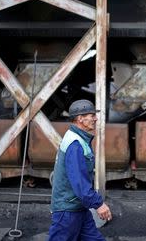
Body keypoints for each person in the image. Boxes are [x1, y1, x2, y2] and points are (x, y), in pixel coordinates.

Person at [48, 99, 112, 241]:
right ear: (80, 119)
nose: (95, 118)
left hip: (78, 208)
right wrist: (99, 204)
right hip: (67, 211)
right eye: (91, 115)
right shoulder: (75, 144)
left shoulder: (77, 138)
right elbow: (80, 183)